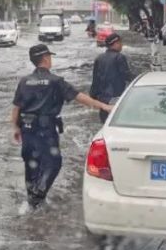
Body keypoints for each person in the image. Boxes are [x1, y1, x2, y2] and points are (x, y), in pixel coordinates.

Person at [11, 44, 112, 210]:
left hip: (27, 128)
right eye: (49, 57)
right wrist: (104, 106)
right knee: (54, 163)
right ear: (45, 58)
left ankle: (31, 202)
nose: (51, 60)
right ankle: (39, 195)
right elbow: (81, 98)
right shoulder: (56, 82)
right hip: (45, 129)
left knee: (31, 164)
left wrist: (15, 127)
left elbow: (16, 107)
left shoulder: (24, 81)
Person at [90, 32, 133, 123]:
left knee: (105, 124)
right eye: (120, 43)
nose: (121, 46)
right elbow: (127, 75)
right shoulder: (120, 57)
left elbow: (95, 80)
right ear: (116, 43)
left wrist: (93, 97)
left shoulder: (99, 58)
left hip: (102, 100)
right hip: (116, 97)